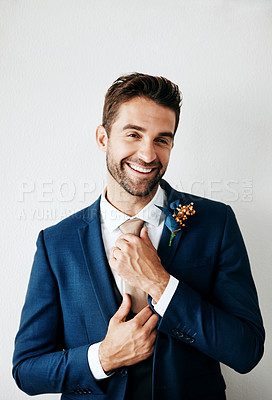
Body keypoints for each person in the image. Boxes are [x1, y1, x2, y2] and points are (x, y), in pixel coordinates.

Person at [13, 73, 265, 400]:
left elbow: (246, 351)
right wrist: (103, 358)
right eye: (134, 134)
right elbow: (27, 371)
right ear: (103, 138)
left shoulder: (216, 223)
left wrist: (161, 283)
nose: (147, 155)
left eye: (162, 139)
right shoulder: (56, 243)